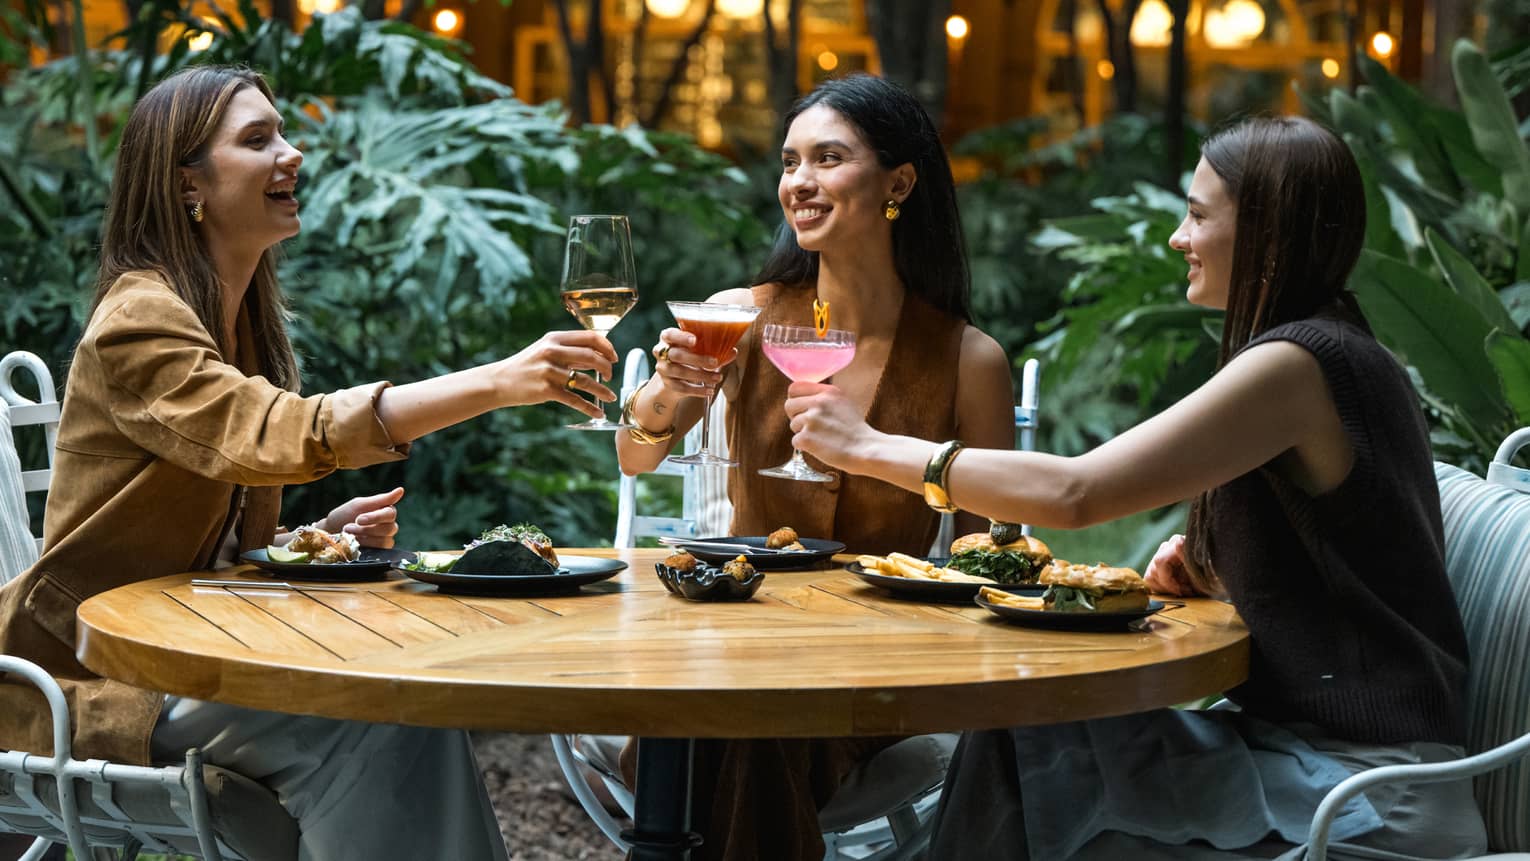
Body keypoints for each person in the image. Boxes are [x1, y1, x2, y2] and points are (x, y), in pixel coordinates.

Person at [782, 115, 1490, 859]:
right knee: (1023, 740)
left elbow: (1079, 491)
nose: (1179, 239)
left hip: (1364, 796)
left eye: (1197, 216)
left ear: (1268, 236)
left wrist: (872, 447)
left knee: (1030, 769)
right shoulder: (1327, 348)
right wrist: (1219, 577)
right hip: (1300, 757)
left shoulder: (1303, 361)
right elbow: (1354, 558)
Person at [0, 65, 618, 860]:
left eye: (283, 132)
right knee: (363, 717)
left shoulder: (236, 320)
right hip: (94, 676)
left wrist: (311, 534)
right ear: (188, 183)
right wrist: (499, 382)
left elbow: (206, 520)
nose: (291, 154)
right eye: (258, 140)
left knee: (398, 699)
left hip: (189, 646)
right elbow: (280, 432)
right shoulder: (139, 319)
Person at [614, 74, 1016, 860]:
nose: (799, 182)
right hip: (735, 625)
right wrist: (667, 391)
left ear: (898, 182)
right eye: (791, 161)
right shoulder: (742, 314)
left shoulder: (968, 359)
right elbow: (636, 453)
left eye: (828, 159)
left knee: (744, 723)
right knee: (747, 711)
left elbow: (990, 546)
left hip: (876, 654)